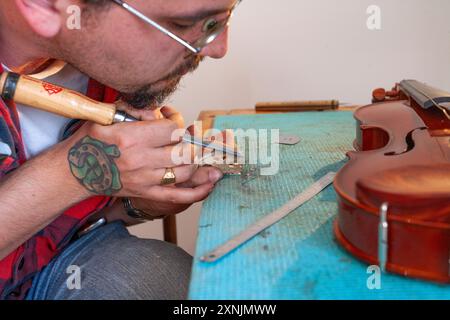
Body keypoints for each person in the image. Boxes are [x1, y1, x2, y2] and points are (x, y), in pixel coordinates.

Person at [0, 0, 240, 300]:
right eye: (181, 25)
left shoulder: (102, 63)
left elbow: (49, 234)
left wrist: (135, 202)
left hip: (53, 270)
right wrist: (72, 174)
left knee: (154, 274)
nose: (219, 48)